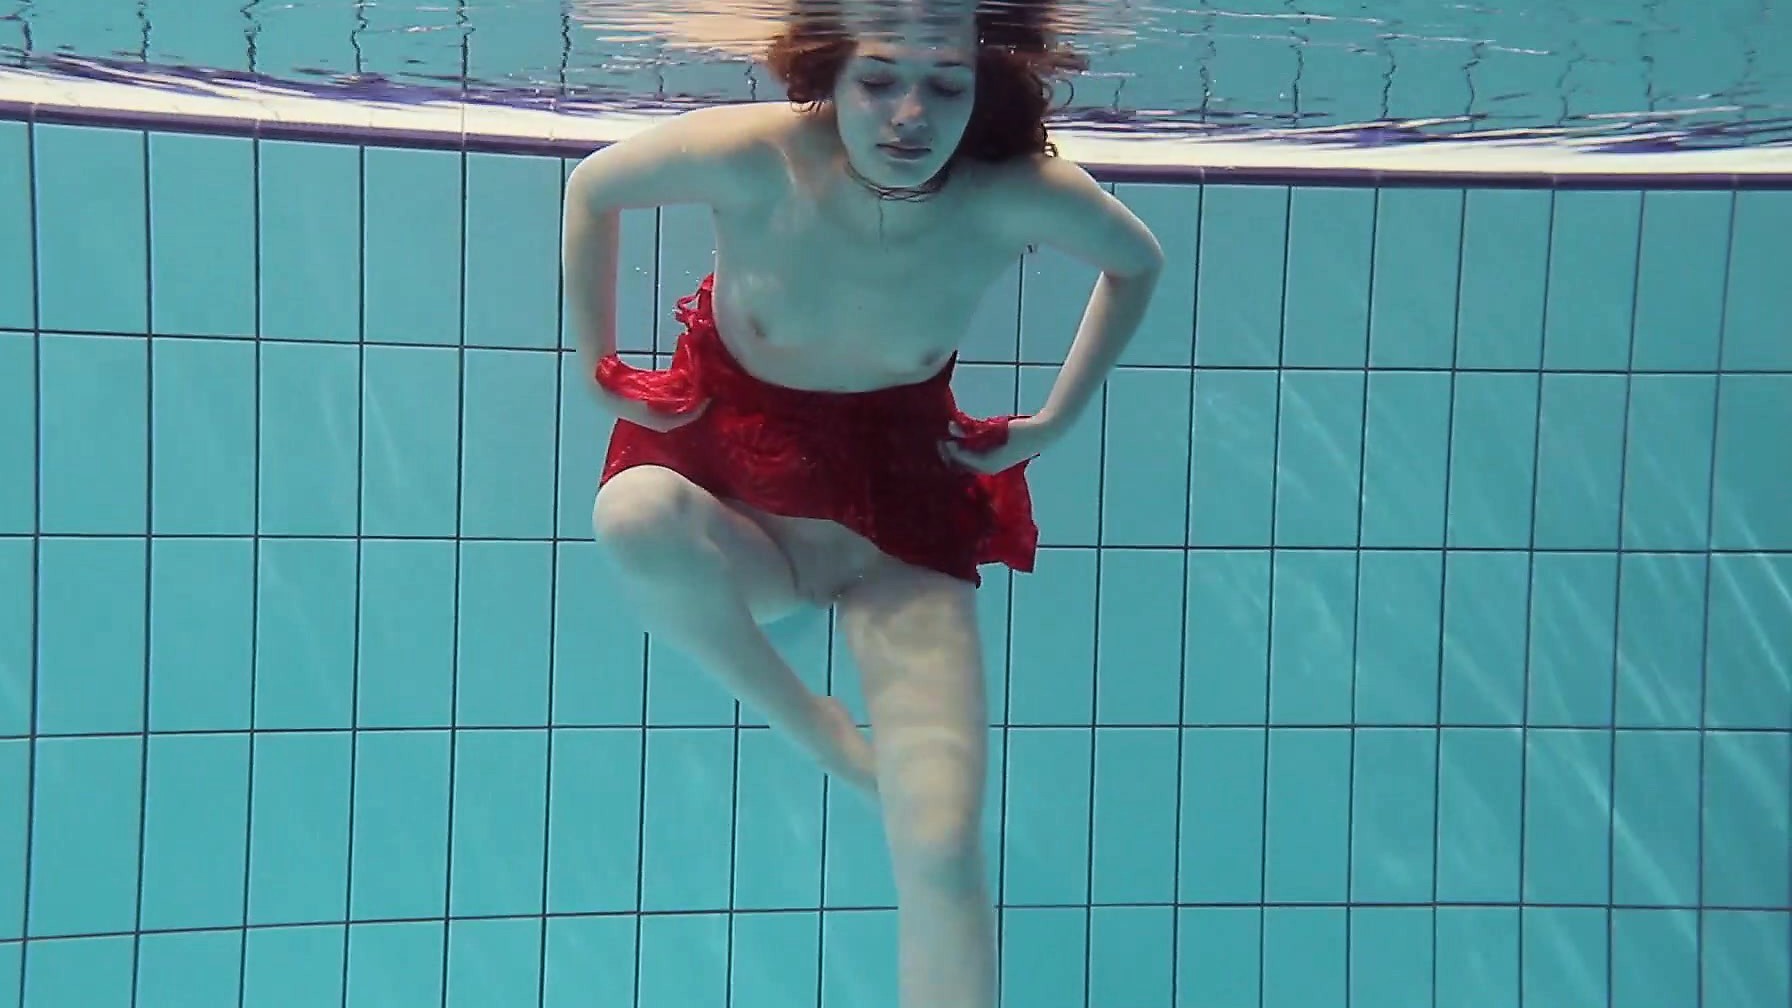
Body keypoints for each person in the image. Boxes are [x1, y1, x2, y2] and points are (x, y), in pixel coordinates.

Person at [561, 2, 1162, 1005]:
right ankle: (807, 719)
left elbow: (1134, 262)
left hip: (896, 523)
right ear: (829, 76)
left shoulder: (1012, 193)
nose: (909, 117)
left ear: (982, 88)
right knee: (627, 517)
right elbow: (594, 185)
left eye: (945, 86)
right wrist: (593, 364)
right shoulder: (755, 154)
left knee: (938, 840)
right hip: (733, 503)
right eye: (878, 82)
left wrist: (1054, 421)